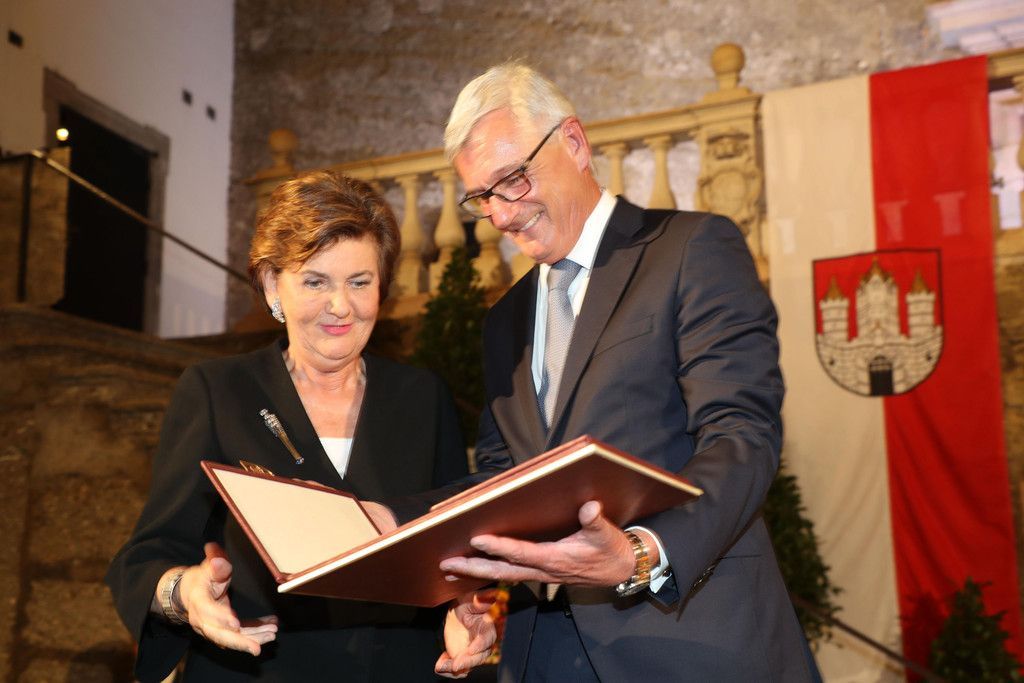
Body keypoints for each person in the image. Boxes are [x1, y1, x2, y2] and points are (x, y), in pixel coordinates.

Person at [432, 64, 820, 681]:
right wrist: (480, 596)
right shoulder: (503, 321)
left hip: (689, 644)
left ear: (574, 143)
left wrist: (643, 553)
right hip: (544, 658)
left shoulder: (692, 249)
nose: (500, 216)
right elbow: (502, 482)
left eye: (511, 180)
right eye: (482, 197)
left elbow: (741, 435)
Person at [106, 170, 468, 682]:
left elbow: (456, 543)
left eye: (359, 282)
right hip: (256, 670)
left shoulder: (423, 396)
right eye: (316, 282)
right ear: (274, 284)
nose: (341, 306)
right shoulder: (219, 391)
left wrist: (464, 609)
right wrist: (185, 593)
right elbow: (148, 555)